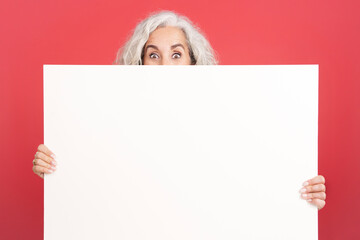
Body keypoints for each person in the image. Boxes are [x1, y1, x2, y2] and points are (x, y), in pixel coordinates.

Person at [32, 10, 326, 210]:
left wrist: (298, 191)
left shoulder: (229, 119)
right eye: (153, 55)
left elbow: (248, 176)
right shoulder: (111, 123)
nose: (164, 66)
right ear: (139, 63)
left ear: (193, 62)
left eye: (176, 54)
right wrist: (55, 168)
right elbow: (95, 179)